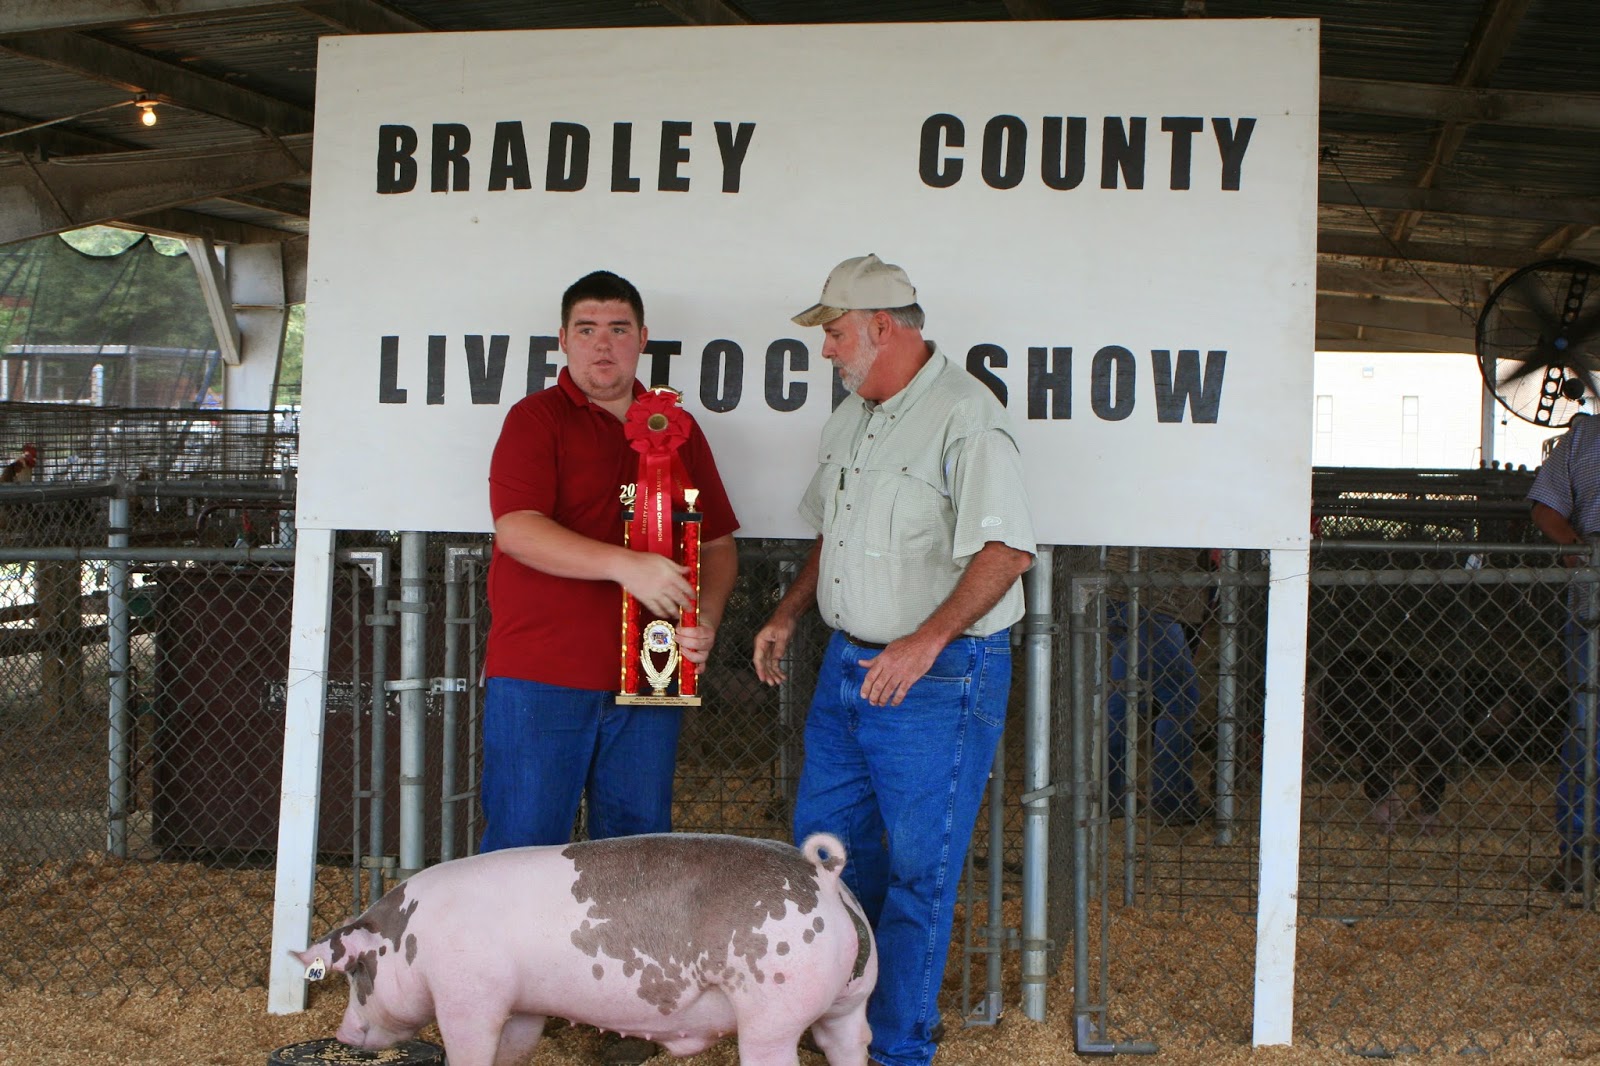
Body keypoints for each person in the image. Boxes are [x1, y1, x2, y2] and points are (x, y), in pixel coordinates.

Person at [753, 254, 1036, 1066]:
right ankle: (837, 1026)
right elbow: (832, 534)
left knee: (918, 870)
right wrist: (788, 610)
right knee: (827, 861)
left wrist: (927, 638)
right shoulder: (854, 416)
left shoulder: (965, 415)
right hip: (849, 665)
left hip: (937, 678)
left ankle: (897, 1046)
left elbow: (1008, 550)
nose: (828, 350)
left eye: (836, 333)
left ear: (884, 328)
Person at [482, 269, 740, 854]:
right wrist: (626, 565)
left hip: (652, 674)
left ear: (643, 338)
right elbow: (518, 530)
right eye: (588, 328)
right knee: (523, 850)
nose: (604, 343)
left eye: (618, 328)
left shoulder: (676, 427)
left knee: (638, 857)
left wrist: (706, 618)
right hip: (542, 673)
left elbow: (720, 545)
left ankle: (615, 954)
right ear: (563, 339)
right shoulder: (535, 419)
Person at [1528, 410, 1600, 893]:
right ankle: (1578, 854)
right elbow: (1545, 507)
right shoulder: (1584, 438)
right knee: (1585, 724)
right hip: (1592, 601)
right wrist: (1578, 546)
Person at [1104, 547, 1210, 826]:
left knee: (1126, 695)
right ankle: (1171, 800)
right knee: (1181, 696)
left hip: (1127, 592)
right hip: (1145, 598)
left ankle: (1110, 793)